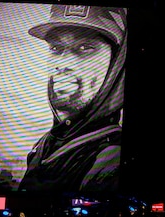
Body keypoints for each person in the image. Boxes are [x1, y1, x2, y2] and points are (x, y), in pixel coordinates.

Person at [19, 5, 128, 204]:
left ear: (115, 65)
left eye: (85, 48)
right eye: (55, 48)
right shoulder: (48, 143)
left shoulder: (111, 159)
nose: (63, 63)